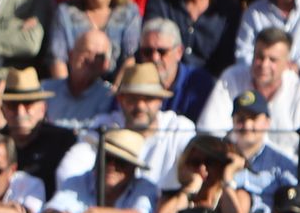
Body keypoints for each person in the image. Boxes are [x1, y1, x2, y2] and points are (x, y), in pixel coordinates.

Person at [54, 61, 195, 195]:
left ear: (160, 101)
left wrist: (180, 198)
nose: (140, 106)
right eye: (132, 98)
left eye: (148, 98)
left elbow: (198, 170)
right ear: (120, 100)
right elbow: (67, 171)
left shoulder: (178, 128)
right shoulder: (104, 126)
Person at [201, 26, 300, 158]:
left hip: (285, 172)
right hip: (234, 162)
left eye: (272, 60)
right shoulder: (231, 78)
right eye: (260, 57)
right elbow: (209, 132)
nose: (264, 65)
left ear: (287, 64)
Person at [41, 128, 158, 213]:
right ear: (97, 159)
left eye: (121, 162)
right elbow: (53, 208)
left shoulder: (146, 188)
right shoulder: (77, 182)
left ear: (133, 168)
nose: (111, 166)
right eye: (106, 158)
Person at [49, 0, 138, 80]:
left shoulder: (129, 13)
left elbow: (130, 59)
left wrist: (115, 95)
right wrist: (68, 94)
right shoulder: (65, 12)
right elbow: (57, 59)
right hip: (74, 88)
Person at [0, 67, 74, 197]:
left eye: (28, 104)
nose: (20, 112)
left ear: (43, 108)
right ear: (2, 110)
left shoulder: (63, 142)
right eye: (12, 105)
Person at [155, 133, 251, 213]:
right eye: (195, 162)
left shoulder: (239, 196)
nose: (202, 168)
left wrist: (228, 175)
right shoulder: (170, 198)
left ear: (222, 166)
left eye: (210, 162)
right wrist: (191, 187)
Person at [137, 19, 214, 128]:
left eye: (162, 51)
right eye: (147, 52)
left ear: (179, 52)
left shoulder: (200, 84)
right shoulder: (132, 84)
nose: (155, 58)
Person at [42, 28, 114, 128]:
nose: (91, 59)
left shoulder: (109, 96)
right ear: (71, 55)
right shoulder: (46, 89)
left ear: (106, 64)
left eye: (99, 56)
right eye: (86, 52)